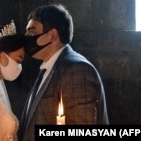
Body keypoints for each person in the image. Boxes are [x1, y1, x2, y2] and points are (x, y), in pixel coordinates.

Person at [18, 4, 109, 141]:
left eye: (31, 32)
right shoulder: (49, 67)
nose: (26, 37)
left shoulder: (76, 70)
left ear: (52, 35)